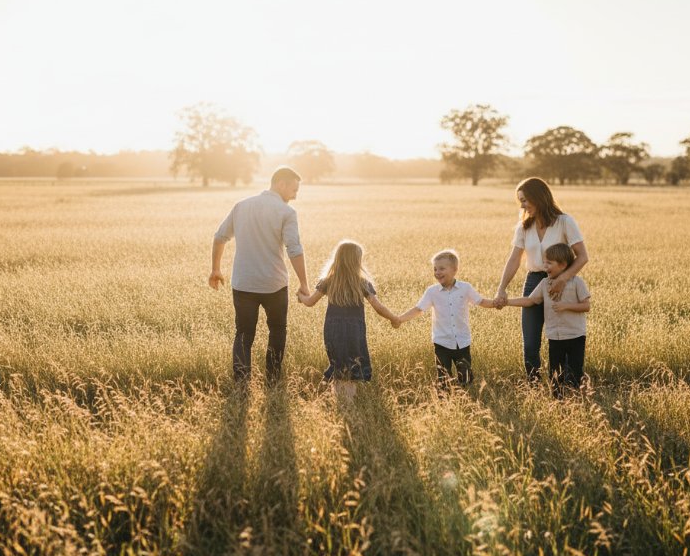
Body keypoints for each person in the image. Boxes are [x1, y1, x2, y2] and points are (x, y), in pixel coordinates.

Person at [210, 166, 309, 382]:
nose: (295, 196)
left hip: (243, 283)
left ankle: (241, 383)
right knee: (277, 330)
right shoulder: (287, 212)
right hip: (274, 284)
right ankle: (272, 380)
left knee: (244, 333)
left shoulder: (241, 206)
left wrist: (216, 269)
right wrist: (304, 283)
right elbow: (294, 249)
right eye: (293, 190)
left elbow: (219, 237)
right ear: (281, 184)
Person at [493, 177, 589, 381]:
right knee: (530, 343)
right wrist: (502, 288)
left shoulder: (565, 222)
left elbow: (582, 256)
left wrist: (563, 279)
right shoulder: (524, 227)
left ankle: (566, 385)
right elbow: (514, 259)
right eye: (520, 201)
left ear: (540, 197)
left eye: (526, 199)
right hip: (534, 281)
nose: (523, 205)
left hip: (564, 283)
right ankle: (533, 385)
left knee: (563, 339)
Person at [298, 240, 398, 400]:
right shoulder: (362, 283)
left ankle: (340, 401)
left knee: (338, 363)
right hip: (355, 331)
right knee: (353, 364)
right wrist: (394, 318)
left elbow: (310, 302)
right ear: (357, 261)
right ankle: (348, 402)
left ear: (337, 259)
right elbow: (378, 307)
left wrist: (301, 296)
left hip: (333, 330)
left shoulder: (329, 280)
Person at [394, 249, 495, 387]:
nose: (437, 272)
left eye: (442, 268)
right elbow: (418, 309)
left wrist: (497, 303)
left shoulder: (465, 288)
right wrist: (400, 319)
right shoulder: (432, 292)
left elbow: (481, 301)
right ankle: (445, 402)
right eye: (435, 269)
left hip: (462, 342)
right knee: (443, 379)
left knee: (465, 378)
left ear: (454, 270)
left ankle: (466, 400)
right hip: (441, 342)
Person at [506, 243, 591, 397]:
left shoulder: (577, 282)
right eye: (544, 262)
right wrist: (507, 302)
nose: (544, 266)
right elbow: (530, 301)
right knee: (555, 373)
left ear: (563, 265)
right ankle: (557, 401)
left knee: (575, 371)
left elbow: (586, 306)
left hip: (575, 336)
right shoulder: (545, 283)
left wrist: (565, 306)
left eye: (549, 263)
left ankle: (576, 400)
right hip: (554, 336)